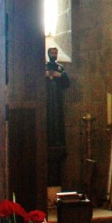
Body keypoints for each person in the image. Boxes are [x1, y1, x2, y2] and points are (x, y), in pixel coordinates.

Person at [46, 45, 70, 186]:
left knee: (57, 121)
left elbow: (66, 82)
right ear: (48, 54)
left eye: (55, 52)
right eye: (51, 52)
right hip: (48, 102)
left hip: (58, 103)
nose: (53, 54)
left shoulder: (60, 68)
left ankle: (58, 140)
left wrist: (59, 75)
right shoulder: (43, 67)